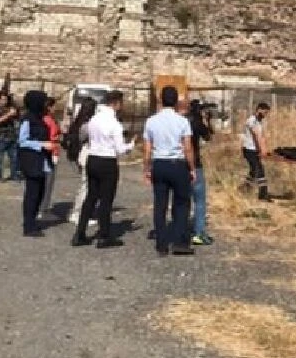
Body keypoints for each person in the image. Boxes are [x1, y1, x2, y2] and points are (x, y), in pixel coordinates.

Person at [73, 91, 133, 248]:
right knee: (106, 199)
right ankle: (104, 235)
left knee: (91, 197)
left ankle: (80, 232)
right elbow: (120, 149)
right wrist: (130, 145)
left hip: (93, 158)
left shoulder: (94, 119)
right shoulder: (115, 124)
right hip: (107, 161)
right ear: (117, 103)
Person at [143, 86, 196, 256]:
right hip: (177, 164)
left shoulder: (151, 121)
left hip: (159, 164)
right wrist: (192, 168)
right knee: (181, 203)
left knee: (160, 205)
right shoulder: (182, 121)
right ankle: (180, 241)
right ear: (176, 101)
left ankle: (161, 244)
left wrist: (147, 167)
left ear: (161, 99)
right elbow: (187, 148)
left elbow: (147, 148)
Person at [15, 90, 55, 237]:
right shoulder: (28, 119)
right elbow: (22, 141)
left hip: (42, 160)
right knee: (32, 194)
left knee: (40, 193)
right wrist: (41, 144)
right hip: (32, 161)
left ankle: (33, 220)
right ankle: (28, 225)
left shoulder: (40, 118)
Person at [184, 99, 214, 245]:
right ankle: (199, 232)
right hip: (195, 163)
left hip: (180, 163)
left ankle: (182, 230)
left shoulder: (183, 121)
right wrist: (207, 121)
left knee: (183, 200)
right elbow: (208, 136)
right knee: (200, 201)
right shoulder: (197, 122)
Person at [65, 97, 96, 228]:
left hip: (82, 156)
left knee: (86, 186)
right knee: (85, 187)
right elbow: (84, 140)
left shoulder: (79, 122)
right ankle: (77, 213)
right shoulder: (86, 125)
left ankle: (81, 212)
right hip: (85, 156)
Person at [241, 102, 270, 202]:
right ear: (259, 110)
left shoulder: (259, 121)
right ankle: (263, 195)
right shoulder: (251, 121)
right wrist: (262, 150)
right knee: (260, 170)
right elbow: (257, 136)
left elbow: (262, 136)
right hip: (249, 149)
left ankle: (244, 189)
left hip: (254, 149)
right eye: (265, 112)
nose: (265, 115)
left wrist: (264, 148)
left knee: (254, 171)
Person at [38, 97, 61, 220]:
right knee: (48, 182)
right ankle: (43, 209)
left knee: (47, 181)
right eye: (53, 106)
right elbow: (51, 136)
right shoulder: (47, 120)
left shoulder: (49, 119)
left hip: (52, 150)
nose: (55, 109)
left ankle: (42, 207)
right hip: (51, 151)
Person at [0, 90, 20, 182]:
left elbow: (17, 117)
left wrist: (15, 112)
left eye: (6, 100)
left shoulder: (9, 108)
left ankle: (14, 174)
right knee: (0, 158)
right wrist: (8, 114)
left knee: (14, 157)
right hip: (1, 136)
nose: (4, 101)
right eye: (2, 99)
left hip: (11, 135)